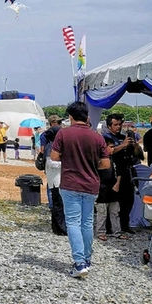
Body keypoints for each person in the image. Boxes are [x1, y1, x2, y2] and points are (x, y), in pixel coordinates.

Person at [50, 101, 110, 277]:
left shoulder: (64, 134)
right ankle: (87, 258)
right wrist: (90, 164)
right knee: (87, 222)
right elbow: (105, 164)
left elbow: (54, 157)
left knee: (73, 223)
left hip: (70, 183)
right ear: (87, 117)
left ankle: (79, 263)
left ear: (70, 117)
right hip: (91, 184)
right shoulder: (97, 137)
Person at [102, 113, 143, 235]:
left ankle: (125, 225)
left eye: (120, 124)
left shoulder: (124, 137)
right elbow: (108, 152)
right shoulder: (106, 137)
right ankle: (110, 227)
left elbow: (138, 155)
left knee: (128, 200)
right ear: (109, 126)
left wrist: (134, 145)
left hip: (127, 170)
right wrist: (122, 145)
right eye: (115, 125)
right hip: (113, 172)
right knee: (113, 201)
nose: (118, 127)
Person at [40, 115, 67, 235]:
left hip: (52, 169)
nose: (59, 124)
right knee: (56, 195)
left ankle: (58, 224)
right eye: (58, 122)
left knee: (53, 191)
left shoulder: (46, 137)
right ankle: (60, 226)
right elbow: (52, 160)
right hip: (56, 170)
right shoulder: (53, 142)